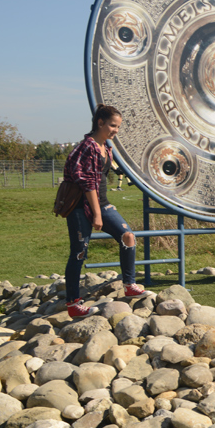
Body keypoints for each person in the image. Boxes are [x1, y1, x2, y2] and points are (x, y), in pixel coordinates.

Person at [62, 104, 145, 318]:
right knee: (79, 253)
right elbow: (87, 183)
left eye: (118, 126)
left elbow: (104, 177)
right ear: (100, 123)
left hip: (103, 203)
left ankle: (129, 284)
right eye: (112, 125)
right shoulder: (87, 146)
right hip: (81, 207)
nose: (115, 130)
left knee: (128, 236)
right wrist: (97, 214)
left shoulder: (105, 146)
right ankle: (73, 303)